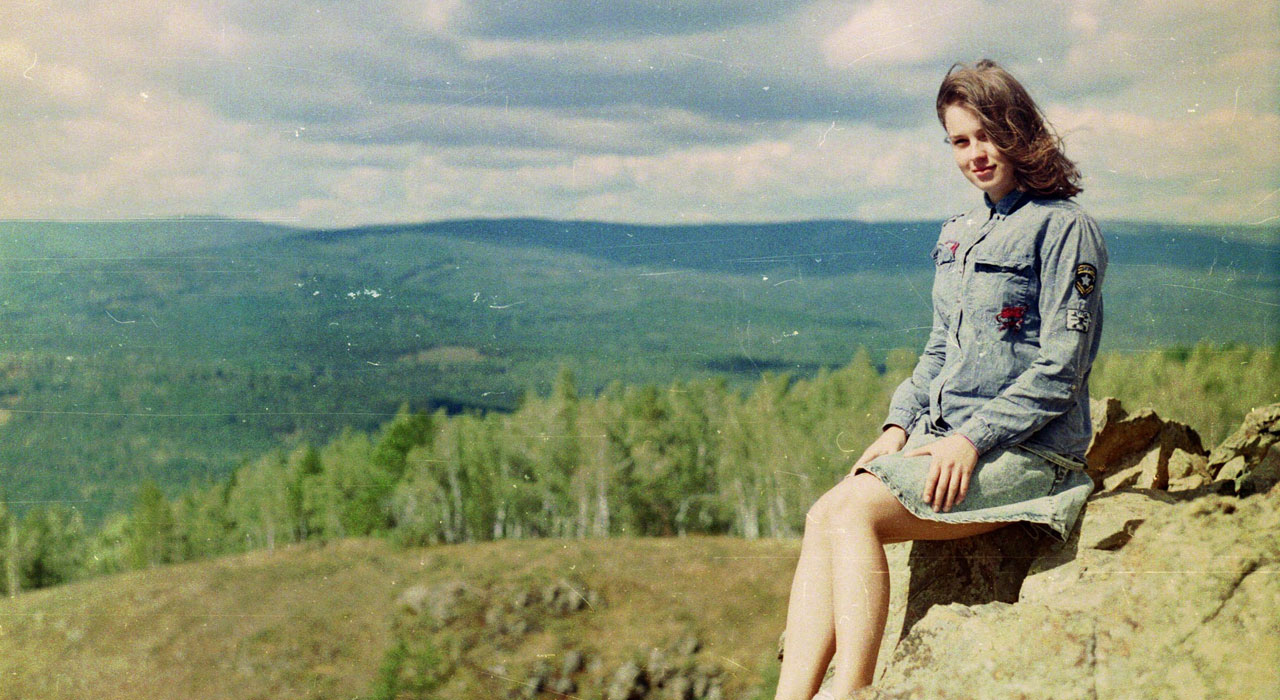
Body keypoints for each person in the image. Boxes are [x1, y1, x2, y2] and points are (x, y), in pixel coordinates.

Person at [773, 59, 1106, 700]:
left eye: (987, 135)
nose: (976, 155)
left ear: (1019, 131)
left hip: (1031, 453)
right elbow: (937, 351)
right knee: (825, 513)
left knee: (854, 517)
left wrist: (970, 439)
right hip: (945, 439)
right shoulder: (958, 234)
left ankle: (853, 692)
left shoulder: (1067, 228)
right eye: (959, 141)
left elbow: (1062, 368)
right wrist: (897, 426)